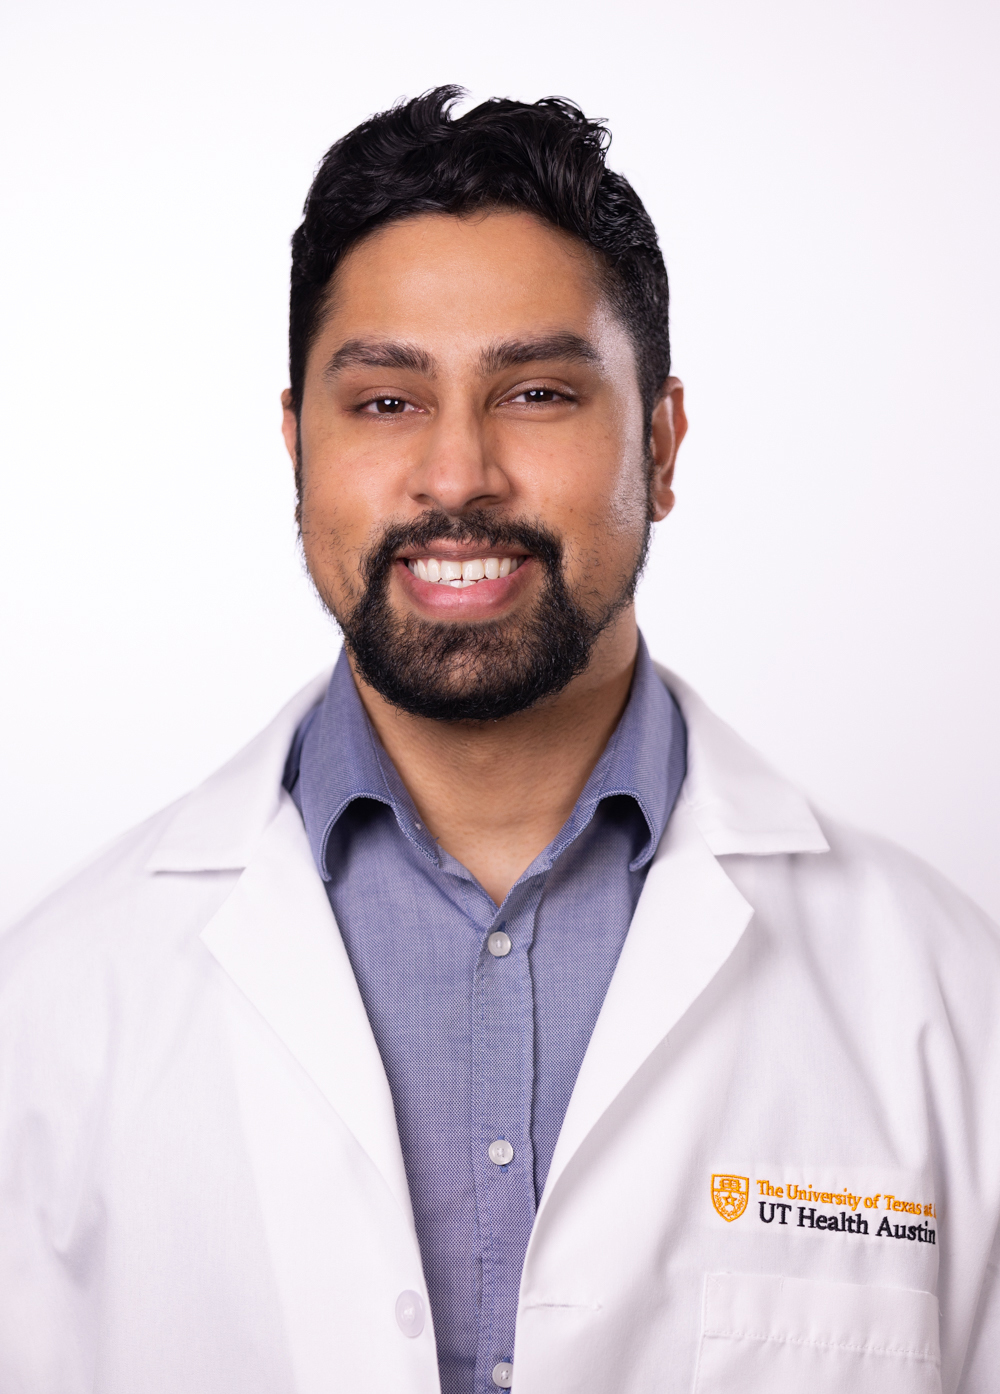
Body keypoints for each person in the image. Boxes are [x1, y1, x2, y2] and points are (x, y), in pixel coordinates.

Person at [0, 86, 997, 1394]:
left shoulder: (949, 1004)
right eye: (385, 402)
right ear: (296, 448)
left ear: (662, 442)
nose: (459, 472)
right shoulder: (53, 1011)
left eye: (536, 391)